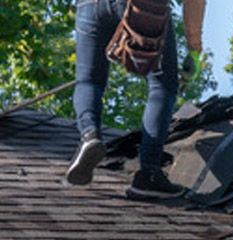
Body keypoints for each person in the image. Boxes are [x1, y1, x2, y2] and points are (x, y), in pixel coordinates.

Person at [67, 0, 206, 198]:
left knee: (88, 81)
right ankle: (148, 173)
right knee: (162, 85)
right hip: (139, 5)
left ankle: (90, 135)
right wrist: (194, 48)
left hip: (87, 6)